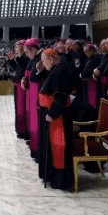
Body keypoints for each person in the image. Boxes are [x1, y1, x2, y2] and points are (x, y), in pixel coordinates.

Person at [36, 48, 76, 190]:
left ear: (51, 59)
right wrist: (41, 71)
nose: (42, 63)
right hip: (51, 113)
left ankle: (60, 180)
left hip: (57, 117)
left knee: (58, 146)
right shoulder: (57, 69)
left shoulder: (61, 72)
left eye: (43, 60)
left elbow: (61, 96)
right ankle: (51, 176)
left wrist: (52, 114)